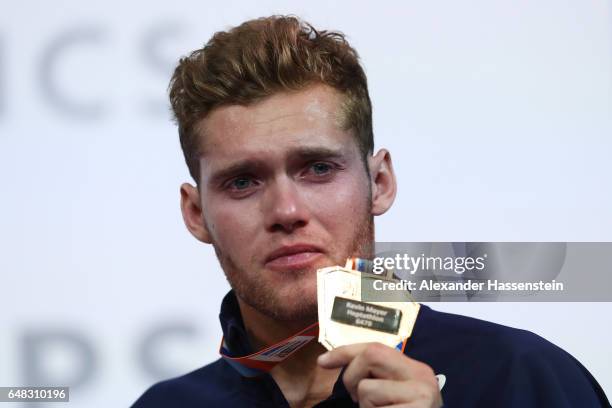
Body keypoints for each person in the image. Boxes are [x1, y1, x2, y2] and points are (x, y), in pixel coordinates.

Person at [132, 15, 610, 407]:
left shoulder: (523, 380)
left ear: (379, 183)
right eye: (242, 181)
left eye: (318, 168)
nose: (286, 210)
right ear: (196, 214)